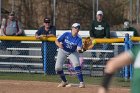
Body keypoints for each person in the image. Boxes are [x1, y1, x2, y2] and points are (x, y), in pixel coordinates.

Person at [55, 23, 85, 88]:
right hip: (63, 50)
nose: (77, 29)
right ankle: (64, 81)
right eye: (76, 28)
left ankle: (81, 83)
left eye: (78, 28)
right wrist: (59, 45)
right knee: (57, 68)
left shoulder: (79, 38)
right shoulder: (66, 34)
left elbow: (78, 49)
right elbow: (56, 40)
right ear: (72, 28)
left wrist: (82, 50)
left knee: (76, 64)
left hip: (72, 52)